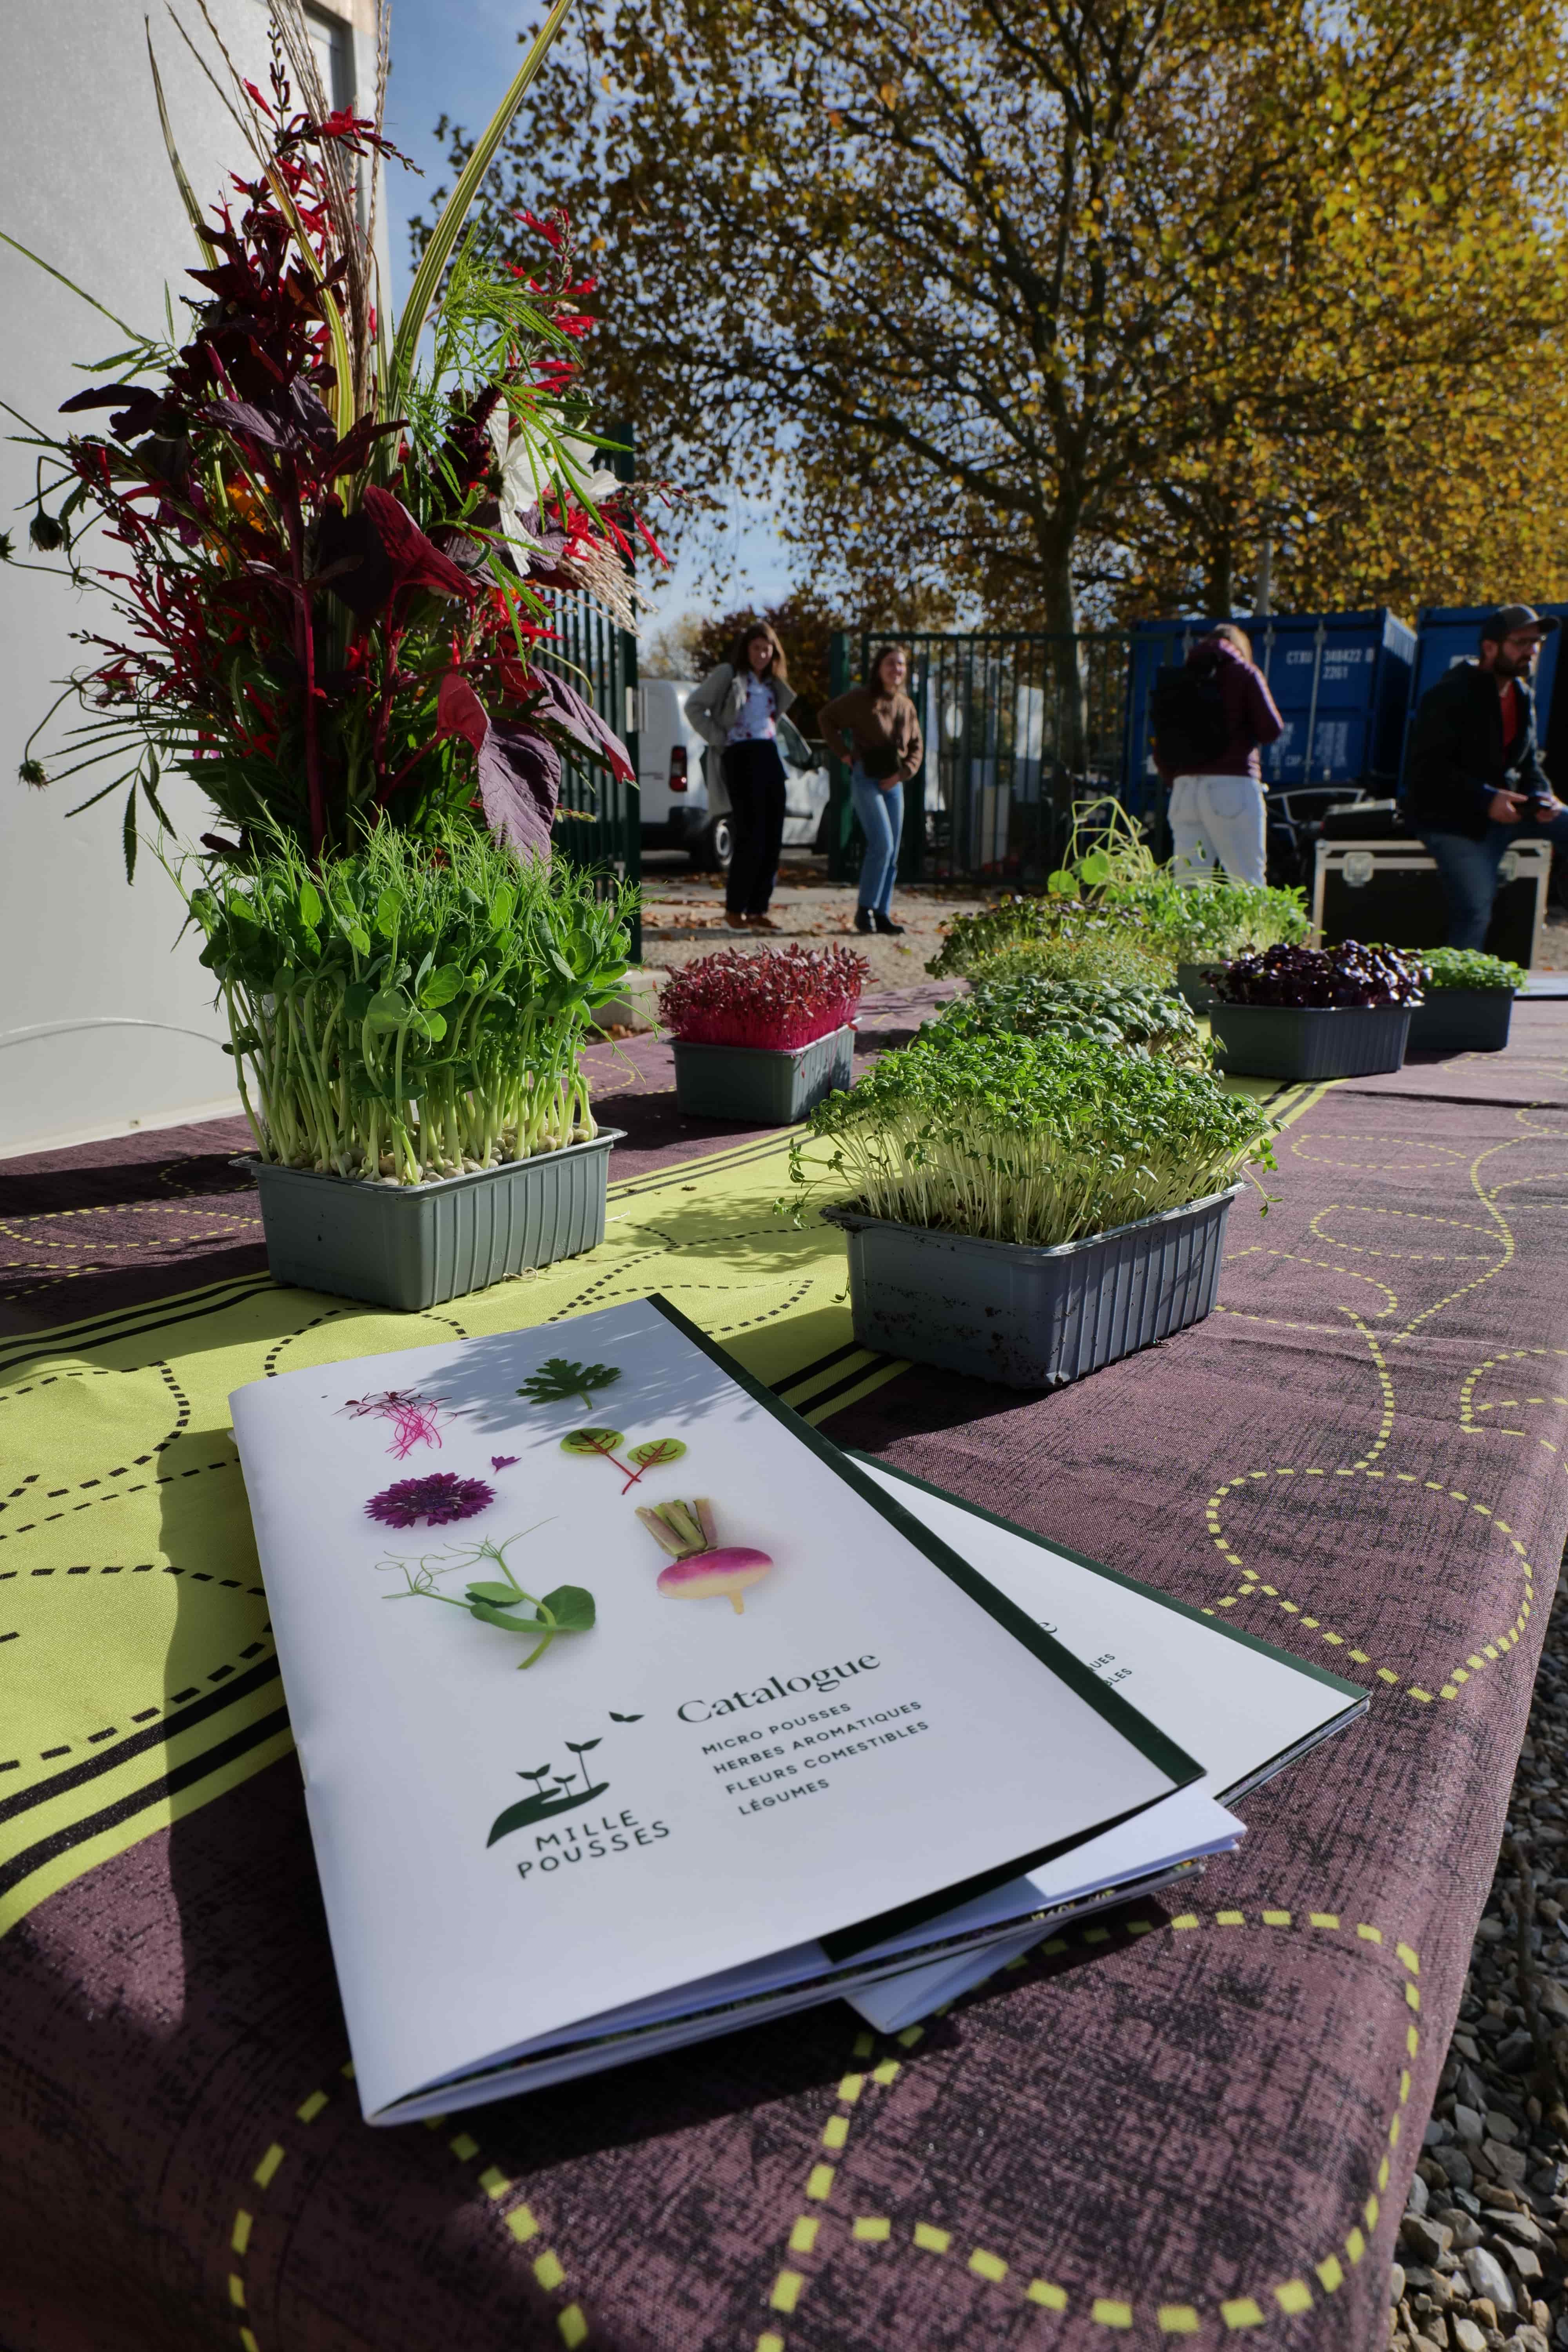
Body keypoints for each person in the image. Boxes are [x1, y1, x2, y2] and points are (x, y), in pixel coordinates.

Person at [1404, 604, 1568, 950]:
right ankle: (1459, 982)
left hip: (1505, 816)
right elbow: (1427, 773)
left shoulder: (1522, 696)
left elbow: (1529, 766)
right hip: (1452, 823)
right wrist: (1486, 798)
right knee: (1475, 911)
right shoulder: (1449, 694)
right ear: (1490, 648)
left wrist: (1543, 797)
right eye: (1521, 643)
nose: (1532, 651)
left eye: (1536, 643)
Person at [1154, 623, 1284, 888]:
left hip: (1184, 790)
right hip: (1232, 787)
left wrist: (1175, 779)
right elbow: (1271, 729)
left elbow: (1163, 742)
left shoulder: (1180, 678)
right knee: (1246, 881)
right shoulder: (1245, 672)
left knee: (1188, 885)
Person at [685, 622, 795, 930]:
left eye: (767, 649)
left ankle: (759, 910)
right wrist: (720, 738)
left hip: (770, 755)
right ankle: (735, 910)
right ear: (746, 650)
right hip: (740, 756)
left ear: (774, 652)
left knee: (773, 837)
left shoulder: (773, 682)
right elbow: (694, 707)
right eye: (756, 648)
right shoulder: (729, 674)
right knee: (750, 836)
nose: (761, 654)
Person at [819, 644, 923, 935]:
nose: (896, 669)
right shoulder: (862, 699)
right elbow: (826, 718)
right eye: (890, 663)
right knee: (882, 844)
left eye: (901, 664)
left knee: (892, 852)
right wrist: (844, 754)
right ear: (878, 668)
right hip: (867, 777)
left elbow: (917, 746)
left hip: (894, 781)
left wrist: (903, 774)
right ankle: (864, 911)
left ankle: (882, 913)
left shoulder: (906, 706)